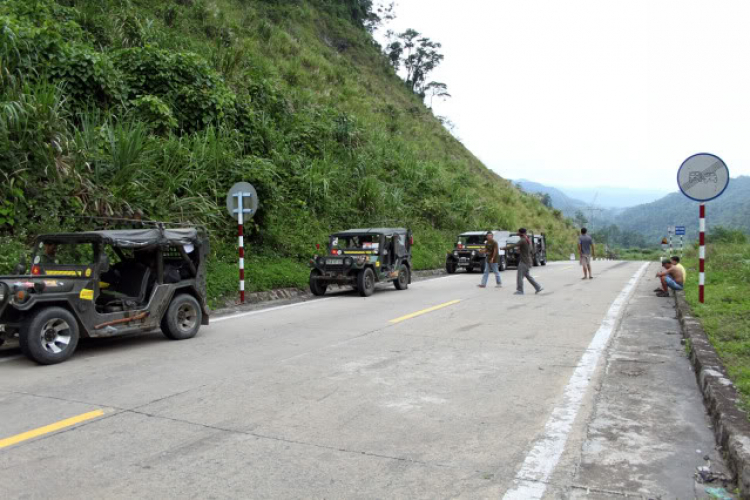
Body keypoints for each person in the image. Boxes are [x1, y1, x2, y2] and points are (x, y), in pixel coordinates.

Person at [508, 228, 543, 295]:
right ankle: (538, 287)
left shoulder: (523, 240)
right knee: (527, 276)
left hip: (524, 261)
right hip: (527, 260)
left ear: (521, 233)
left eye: (518, 232)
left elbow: (514, 245)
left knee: (519, 276)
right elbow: (530, 250)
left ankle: (520, 290)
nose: (517, 232)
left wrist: (503, 248)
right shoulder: (527, 239)